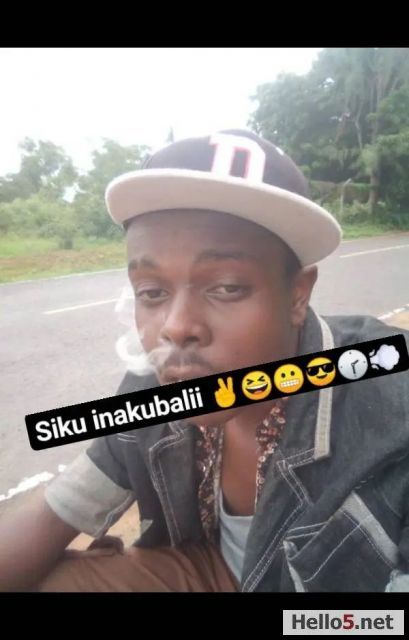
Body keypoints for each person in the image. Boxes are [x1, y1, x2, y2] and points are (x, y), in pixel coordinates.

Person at [1, 129, 408, 592]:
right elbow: (58, 510)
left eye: (227, 287)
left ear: (297, 294)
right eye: (152, 292)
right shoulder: (153, 388)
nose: (176, 328)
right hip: (206, 570)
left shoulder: (392, 407)